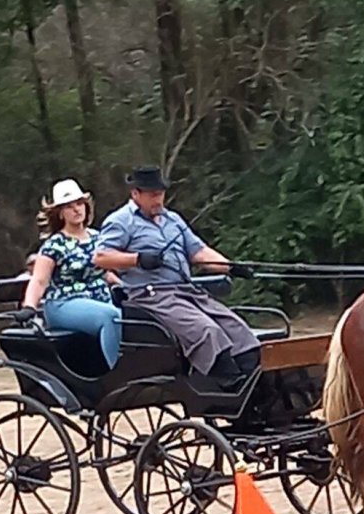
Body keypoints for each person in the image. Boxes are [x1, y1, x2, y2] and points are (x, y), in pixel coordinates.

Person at [93, 165, 259, 388]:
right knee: (205, 330)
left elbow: (198, 252)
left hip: (185, 291)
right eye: (152, 195)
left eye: (161, 194)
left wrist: (230, 267)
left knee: (237, 328)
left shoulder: (173, 220)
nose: (158, 200)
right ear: (135, 194)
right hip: (150, 296)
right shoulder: (121, 221)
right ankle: (228, 385)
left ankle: (251, 384)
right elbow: (101, 257)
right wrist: (138, 259)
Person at [21, 179, 124, 368]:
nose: (76, 210)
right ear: (60, 213)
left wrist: (125, 288)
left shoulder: (99, 238)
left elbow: (104, 273)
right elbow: (40, 280)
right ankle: (116, 372)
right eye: (69, 206)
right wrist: (29, 306)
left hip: (100, 300)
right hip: (64, 303)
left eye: (79, 204)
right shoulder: (53, 245)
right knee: (112, 316)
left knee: (136, 317)